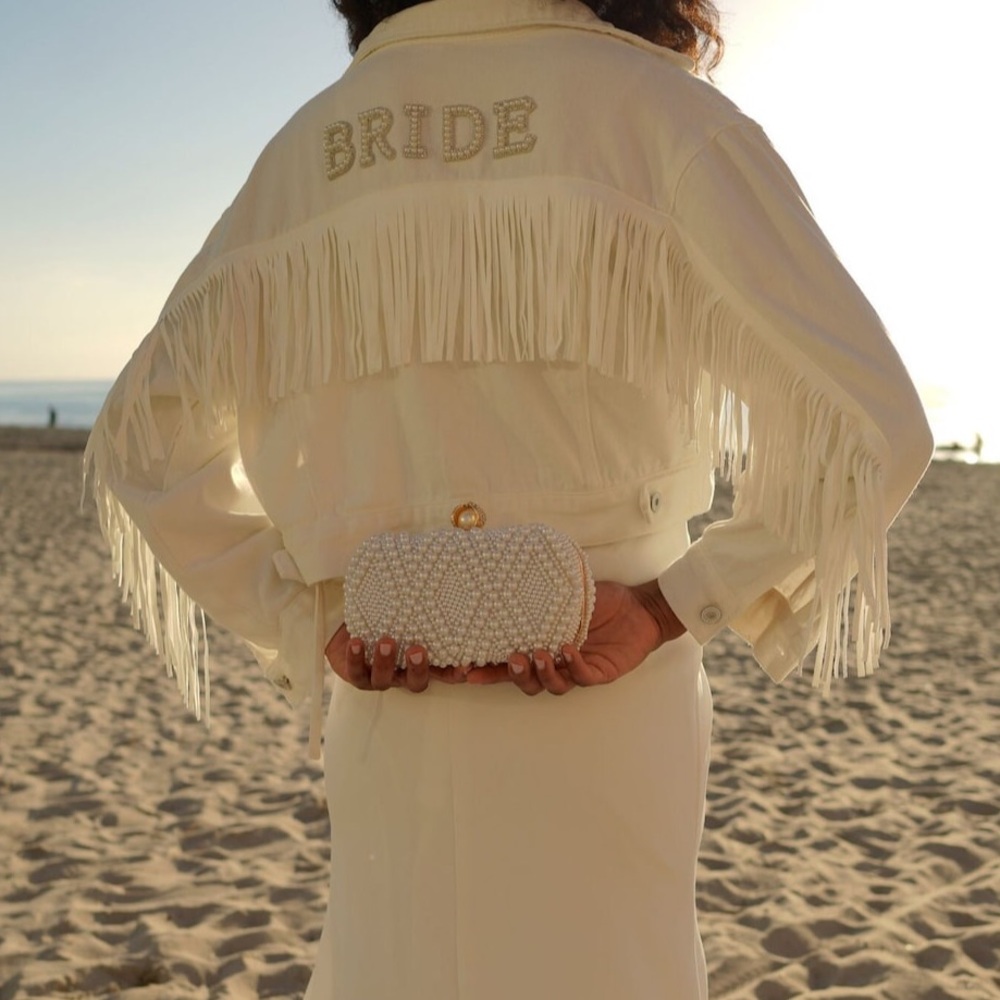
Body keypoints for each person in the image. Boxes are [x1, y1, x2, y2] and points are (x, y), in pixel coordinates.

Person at [85, 0, 933, 996]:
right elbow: (878, 424)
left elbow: (143, 440)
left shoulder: (305, 153)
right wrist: (676, 603)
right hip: (607, 685)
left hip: (385, 699)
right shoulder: (661, 119)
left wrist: (301, 610)